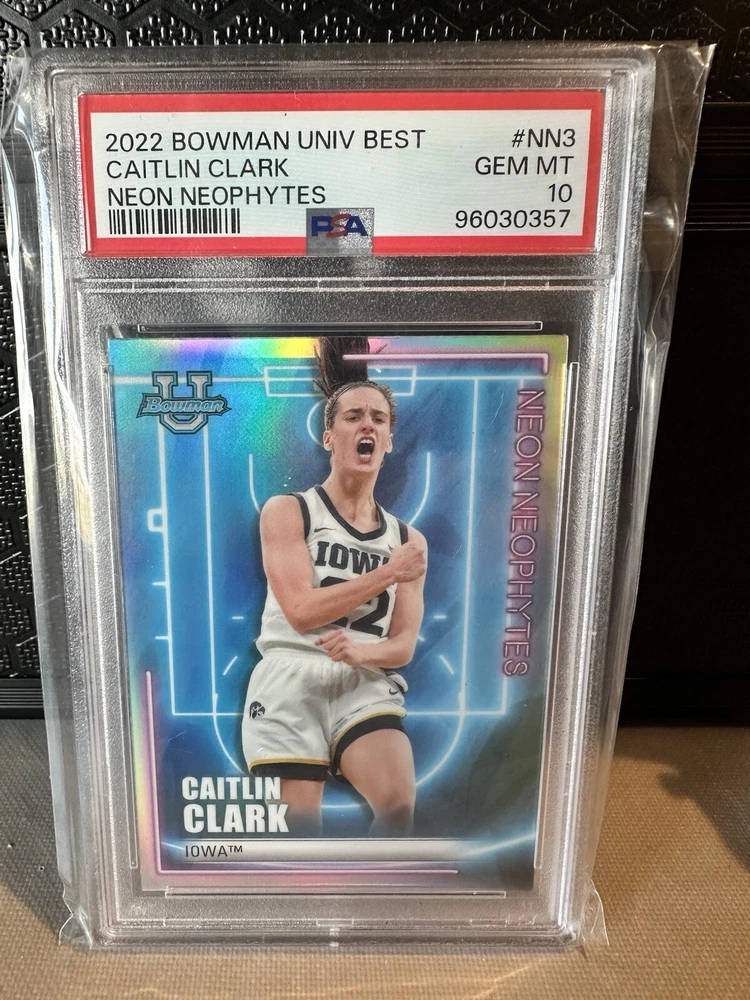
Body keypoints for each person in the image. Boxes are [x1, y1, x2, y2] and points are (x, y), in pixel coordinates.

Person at [242, 336, 427, 836]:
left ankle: (372, 889)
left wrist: (362, 653)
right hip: (291, 671)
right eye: (353, 416)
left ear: (389, 440)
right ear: (328, 437)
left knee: (397, 802)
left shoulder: (409, 541)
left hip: (360, 677)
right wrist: (387, 573)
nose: (367, 425)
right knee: (299, 834)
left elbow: (404, 645)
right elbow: (301, 611)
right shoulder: (289, 511)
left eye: (379, 419)